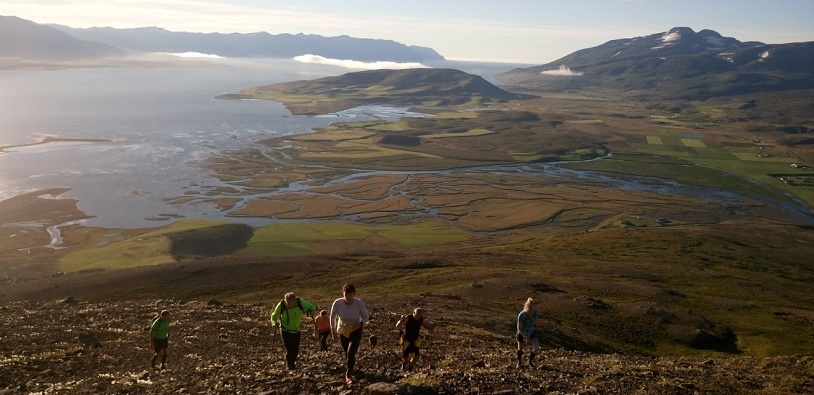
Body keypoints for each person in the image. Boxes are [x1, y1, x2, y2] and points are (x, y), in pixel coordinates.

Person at [330, 283, 369, 384]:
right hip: (343, 331)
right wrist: (333, 332)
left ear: (354, 294)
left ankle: (348, 374)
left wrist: (359, 325)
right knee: (346, 353)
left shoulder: (359, 303)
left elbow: (366, 316)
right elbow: (332, 317)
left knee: (351, 352)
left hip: (355, 330)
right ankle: (349, 369)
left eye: (350, 295)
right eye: (346, 294)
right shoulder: (337, 303)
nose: (348, 297)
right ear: (343, 294)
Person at [270, 292, 318, 370]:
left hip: (296, 330)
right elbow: (274, 315)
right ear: (286, 300)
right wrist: (273, 323)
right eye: (288, 303)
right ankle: (289, 365)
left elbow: (312, 306)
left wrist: (312, 310)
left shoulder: (300, 302)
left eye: (292, 303)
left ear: (295, 300)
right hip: (285, 330)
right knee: (289, 349)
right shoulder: (281, 305)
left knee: (295, 349)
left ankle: (292, 363)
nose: (290, 305)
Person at [396, 307, 433, 372]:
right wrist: (401, 320)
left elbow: (423, 324)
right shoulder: (408, 318)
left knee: (415, 357)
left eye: (419, 315)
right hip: (407, 339)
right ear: (413, 313)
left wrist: (430, 329)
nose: (418, 317)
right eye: (416, 315)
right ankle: (404, 365)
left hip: (415, 339)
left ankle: (410, 370)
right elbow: (397, 326)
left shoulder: (421, 319)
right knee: (406, 358)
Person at [516, 297, 540, 369]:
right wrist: (525, 337)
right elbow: (519, 327)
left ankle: (529, 361)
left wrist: (531, 316)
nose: (530, 310)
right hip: (522, 332)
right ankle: (519, 362)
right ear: (526, 307)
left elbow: (537, 323)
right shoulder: (521, 315)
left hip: (531, 331)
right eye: (529, 308)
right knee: (520, 348)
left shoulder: (534, 313)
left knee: (536, 347)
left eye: (532, 308)